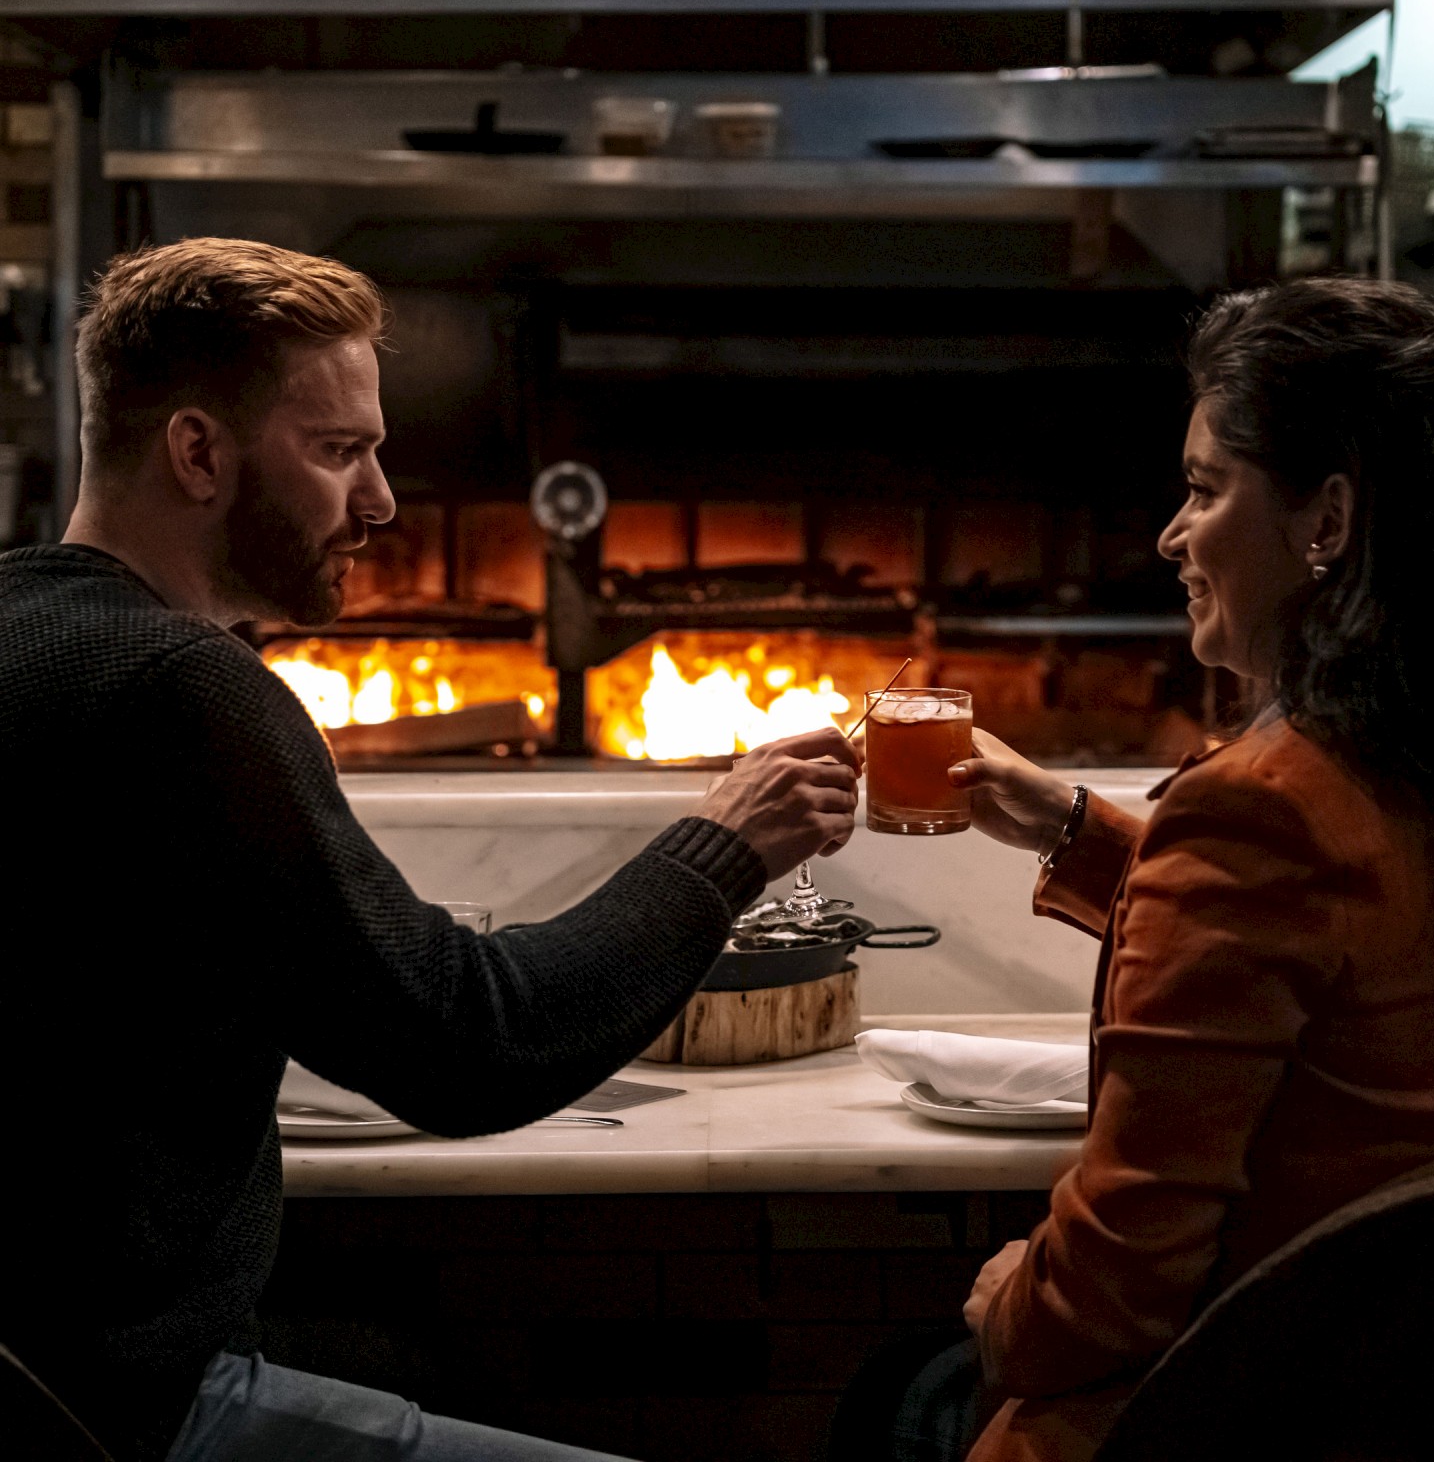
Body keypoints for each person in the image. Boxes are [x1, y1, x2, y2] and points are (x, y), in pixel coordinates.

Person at [0, 238, 860, 1462]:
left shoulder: (24, 626)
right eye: (339, 450)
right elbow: (473, 1044)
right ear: (198, 451)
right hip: (130, 1414)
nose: (383, 501)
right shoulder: (184, 686)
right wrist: (724, 845)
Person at [882, 278, 1434, 1462]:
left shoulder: (1258, 814)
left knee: (906, 1394)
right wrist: (1083, 833)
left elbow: (1115, 1290)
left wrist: (1009, 1301)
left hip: (1250, 1400)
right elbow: (1370, 965)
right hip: (1430, 1399)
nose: (1171, 533)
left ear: (1327, 520)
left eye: (1207, 488)